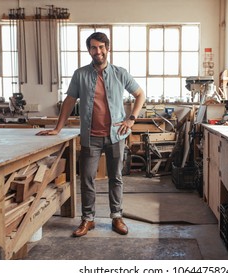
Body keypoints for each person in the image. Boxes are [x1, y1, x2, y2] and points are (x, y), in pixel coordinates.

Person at [36, 32, 146, 236]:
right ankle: (88, 219)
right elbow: (69, 101)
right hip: (90, 136)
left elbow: (140, 94)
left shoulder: (120, 73)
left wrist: (131, 119)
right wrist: (58, 128)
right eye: (94, 47)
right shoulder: (80, 74)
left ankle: (116, 217)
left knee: (116, 177)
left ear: (108, 48)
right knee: (86, 178)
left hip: (116, 135)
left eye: (102, 47)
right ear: (89, 50)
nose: (98, 51)